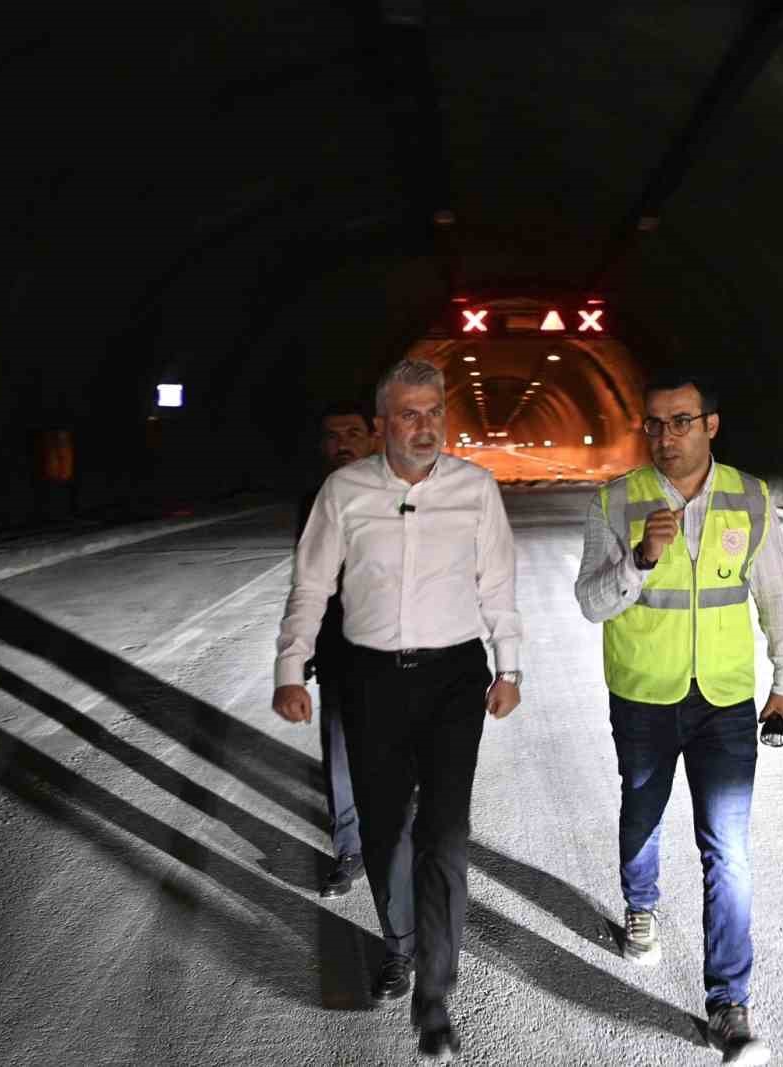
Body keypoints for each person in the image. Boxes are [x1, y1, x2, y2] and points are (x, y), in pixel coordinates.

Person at [273, 358, 523, 1064]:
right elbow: (310, 583)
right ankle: (401, 945)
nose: (425, 426)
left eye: (434, 410)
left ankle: (435, 997)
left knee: (445, 835)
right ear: (382, 424)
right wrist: (290, 666)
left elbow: (498, 582)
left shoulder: (474, 489)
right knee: (386, 836)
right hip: (372, 680)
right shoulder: (343, 491)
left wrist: (510, 665)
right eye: (409, 414)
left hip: (452, 681)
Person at [573, 369, 783, 1067]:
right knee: (642, 807)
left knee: (728, 847)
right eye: (655, 423)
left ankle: (729, 1004)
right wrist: (642, 558)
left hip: (726, 699)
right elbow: (591, 602)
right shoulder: (616, 500)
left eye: (681, 421)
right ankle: (640, 901)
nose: (666, 437)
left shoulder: (749, 497)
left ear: (711, 425)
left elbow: (777, 595)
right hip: (644, 692)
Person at [298, 399, 377, 898]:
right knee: (341, 753)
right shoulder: (313, 501)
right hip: (338, 651)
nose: (342, 443)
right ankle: (349, 848)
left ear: (374, 436)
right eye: (332, 434)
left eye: (352, 431)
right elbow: (308, 580)